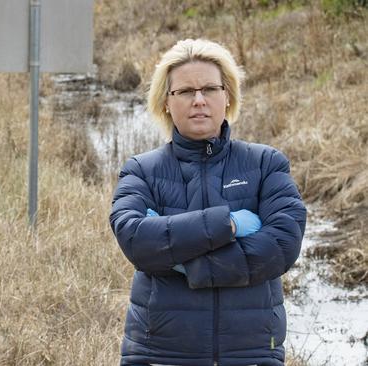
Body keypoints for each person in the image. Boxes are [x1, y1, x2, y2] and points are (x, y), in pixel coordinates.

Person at [110, 38, 307, 366]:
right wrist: (228, 224)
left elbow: (283, 244)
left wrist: (185, 263)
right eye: (185, 91)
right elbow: (135, 239)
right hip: (159, 354)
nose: (198, 100)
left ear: (227, 96)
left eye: (210, 89)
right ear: (166, 102)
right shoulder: (141, 170)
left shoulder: (266, 164)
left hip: (252, 352)